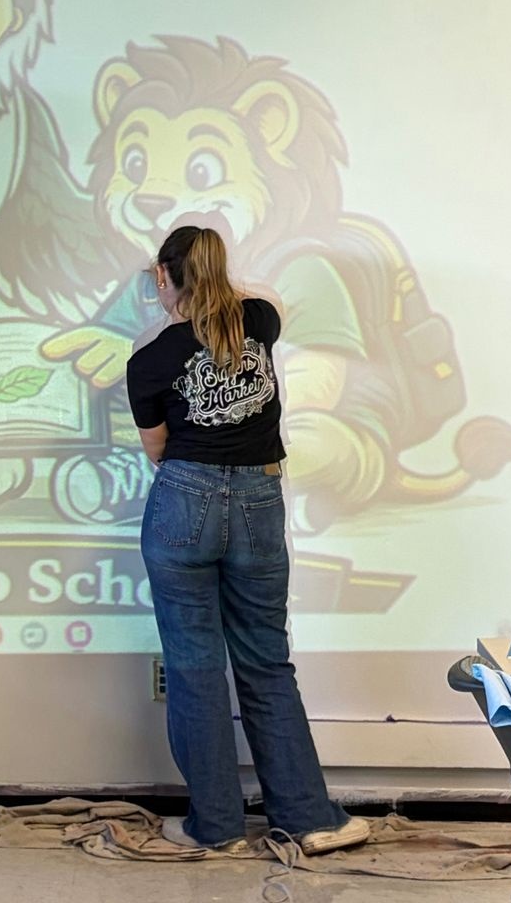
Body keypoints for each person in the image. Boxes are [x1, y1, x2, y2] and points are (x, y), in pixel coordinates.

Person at [126, 225, 371, 855]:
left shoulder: (149, 360)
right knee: (267, 662)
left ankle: (216, 827)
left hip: (184, 499)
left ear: (163, 276)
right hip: (260, 501)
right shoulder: (258, 321)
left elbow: (159, 450)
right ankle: (310, 819)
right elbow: (237, 306)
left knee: (193, 668)